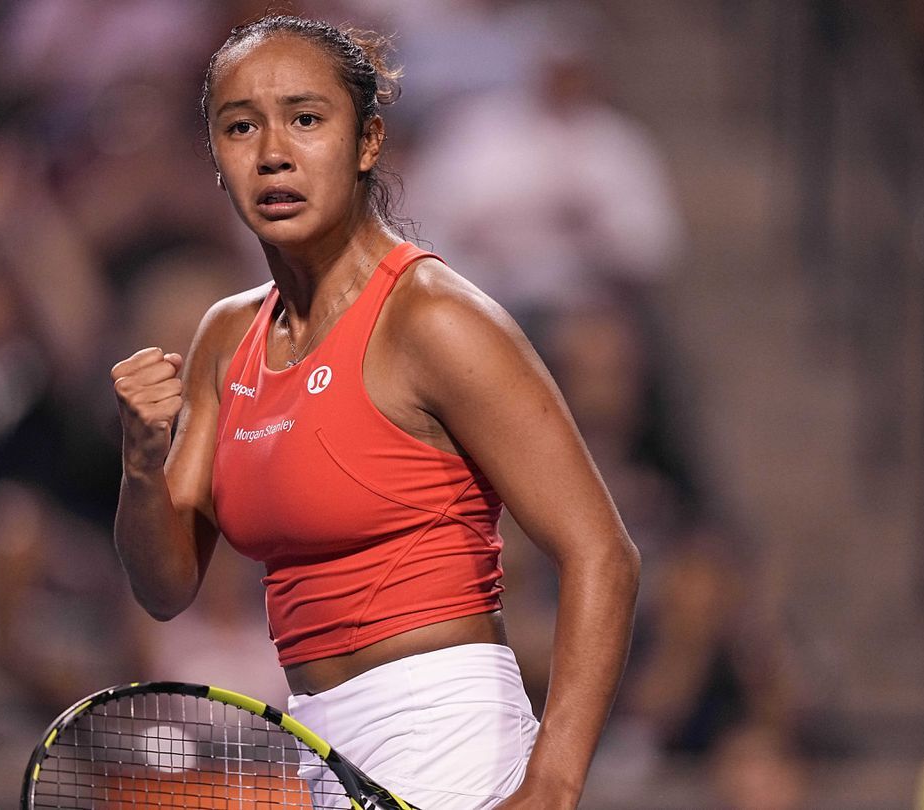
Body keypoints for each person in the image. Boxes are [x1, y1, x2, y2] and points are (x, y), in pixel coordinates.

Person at [110, 14, 639, 809]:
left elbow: (603, 554)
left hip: (455, 745)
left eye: (306, 119)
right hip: (318, 748)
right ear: (216, 161)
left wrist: (553, 785)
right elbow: (165, 584)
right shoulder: (226, 338)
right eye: (240, 126)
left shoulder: (435, 319)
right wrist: (142, 464)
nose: (273, 152)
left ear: (367, 143)